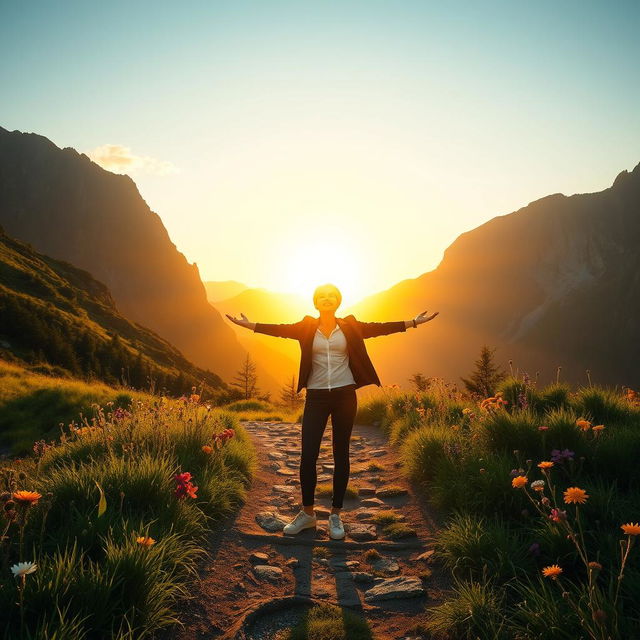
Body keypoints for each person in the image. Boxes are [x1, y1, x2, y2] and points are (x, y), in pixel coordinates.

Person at [226, 283, 438, 540]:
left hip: (345, 395)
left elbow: (380, 328)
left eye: (331, 296)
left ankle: (335, 515)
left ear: (338, 302)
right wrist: (249, 325)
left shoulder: (350, 326)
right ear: (315, 303)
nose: (327, 299)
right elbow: (279, 330)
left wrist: (413, 322)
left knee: (341, 454)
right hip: (315, 397)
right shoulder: (305, 327)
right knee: (308, 455)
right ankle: (307, 514)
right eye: (322, 297)